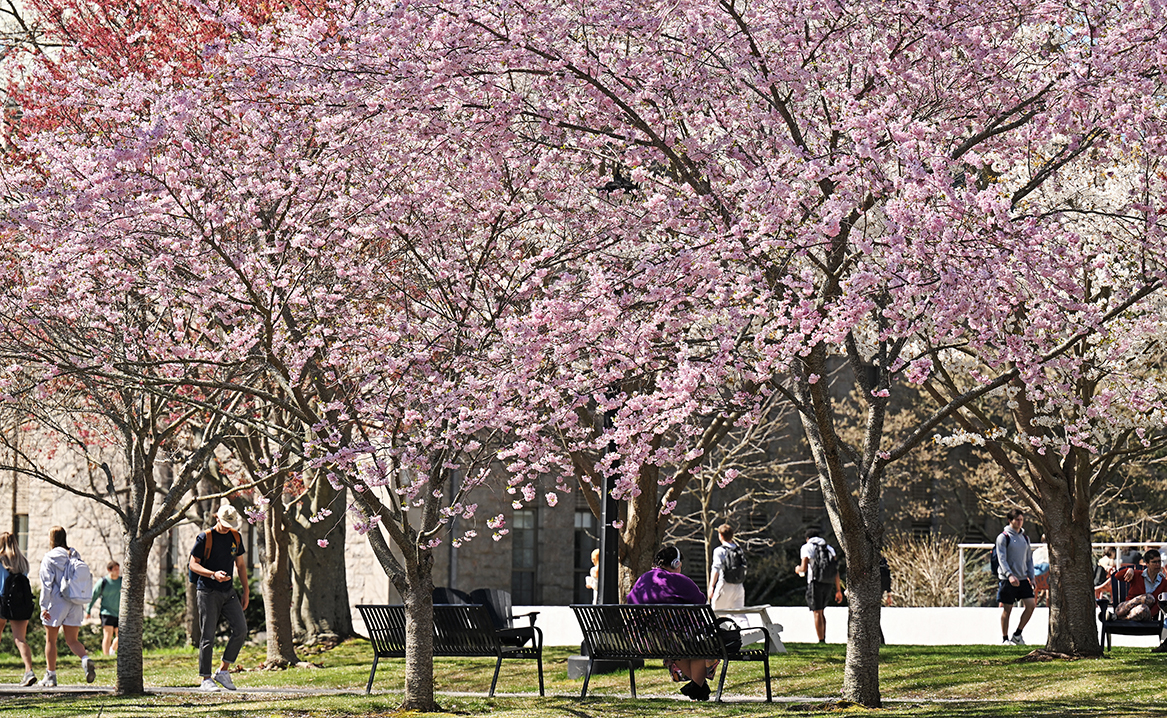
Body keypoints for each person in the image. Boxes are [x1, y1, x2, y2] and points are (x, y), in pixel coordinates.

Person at [626, 545, 714, 701]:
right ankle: (698, 688)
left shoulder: (643, 579)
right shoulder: (680, 581)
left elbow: (630, 601)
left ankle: (698, 689)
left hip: (643, 642)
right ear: (676, 563)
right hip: (672, 641)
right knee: (700, 644)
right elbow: (701, 601)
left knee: (679, 644)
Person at [189, 504, 249, 691]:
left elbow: (240, 565)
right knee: (208, 635)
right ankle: (206, 678)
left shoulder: (235, 537)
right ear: (217, 518)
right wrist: (213, 574)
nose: (227, 527)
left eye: (230, 524)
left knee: (240, 630)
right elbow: (193, 564)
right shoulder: (205, 537)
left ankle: (223, 671)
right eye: (224, 523)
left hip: (228, 591)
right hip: (207, 591)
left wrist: (246, 591)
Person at [39, 526, 96, 686]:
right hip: (75, 601)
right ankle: (85, 659)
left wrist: (43, 606)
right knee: (72, 640)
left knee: (51, 640)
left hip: (56, 602)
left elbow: (46, 584)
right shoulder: (74, 555)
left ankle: (51, 675)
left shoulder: (49, 558)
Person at [995, 508, 1036, 646]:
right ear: (1010, 520)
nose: (1020, 522)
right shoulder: (1003, 537)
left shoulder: (1025, 538)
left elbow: (1029, 559)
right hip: (1008, 579)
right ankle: (1005, 639)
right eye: (1017, 520)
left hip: (1023, 578)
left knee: (1031, 605)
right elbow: (1002, 559)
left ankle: (1017, 635)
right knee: (1008, 609)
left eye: (1021, 520)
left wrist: (1032, 576)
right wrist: (1009, 575)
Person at [0, 532, 36, 686]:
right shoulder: (23, 562)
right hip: (20, 602)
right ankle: (29, 671)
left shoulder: (1, 560)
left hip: (1, 600)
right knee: (20, 639)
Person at [795, 529, 843, 643]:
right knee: (822, 612)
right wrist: (838, 590)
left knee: (817, 612)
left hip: (815, 582)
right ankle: (823, 638)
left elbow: (804, 568)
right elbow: (835, 570)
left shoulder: (807, 547)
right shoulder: (829, 548)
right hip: (828, 583)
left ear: (807, 538)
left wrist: (797, 569)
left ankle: (821, 640)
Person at [707, 524, 745, 611]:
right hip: (739, 586)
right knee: (740, 615)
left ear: (720, 536)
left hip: (724, 585)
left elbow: (716, 568)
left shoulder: (719, 551)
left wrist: (711, 586)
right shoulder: (739, 550)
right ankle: (747, 625)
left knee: (716, 614)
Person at [88, 561, 122, 655]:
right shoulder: (103, 582)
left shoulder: (122, 581)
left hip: (120, 613)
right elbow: (94, 596)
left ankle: (112, 649)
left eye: (118, 569)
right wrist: (88, 610)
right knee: (108, 635)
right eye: (115, 569)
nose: (117, 571)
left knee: (121, 636)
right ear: (109, 570)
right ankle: (106, 656)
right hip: (106, 612)